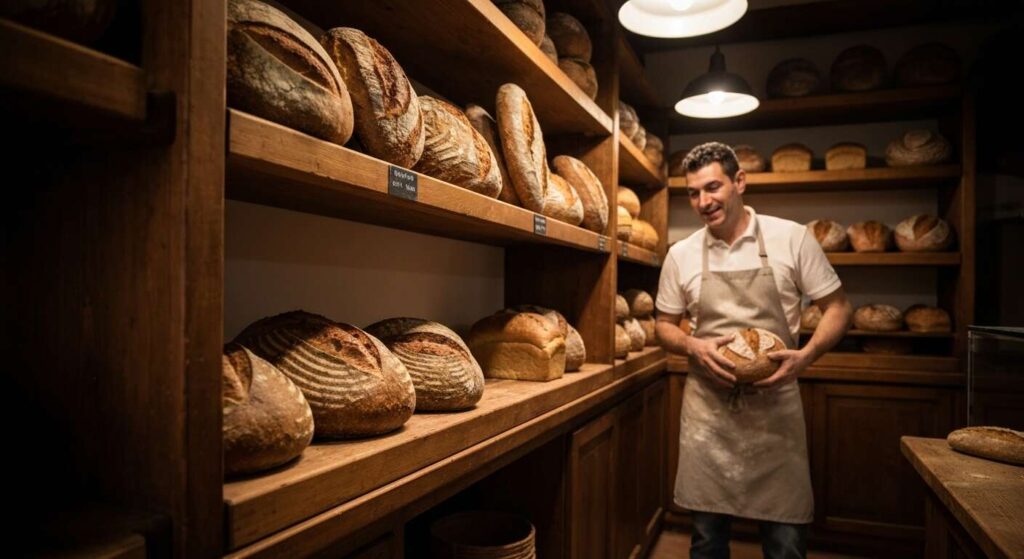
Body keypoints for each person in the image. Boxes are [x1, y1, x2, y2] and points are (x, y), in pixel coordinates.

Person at [655, 142, 852, 559]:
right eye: (693, 193)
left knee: (785, 543)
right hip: (708, 415)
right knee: (707, 540)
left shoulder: (791, 238)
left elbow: (838, 308)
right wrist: (691, 344)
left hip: (775, 412)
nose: (704, 202)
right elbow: (663, 326)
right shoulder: (681, 254)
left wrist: (806, 355)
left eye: (713, 187)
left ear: (739, 181)